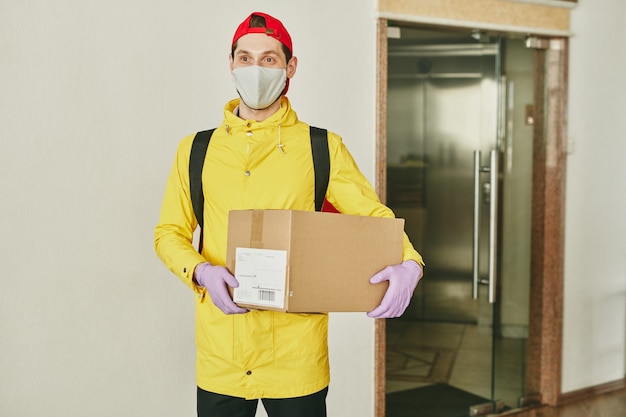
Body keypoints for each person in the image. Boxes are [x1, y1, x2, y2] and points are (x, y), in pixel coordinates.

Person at [154, 11, 424, 417]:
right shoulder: (195, 150)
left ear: (290, 66)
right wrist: (201, 271)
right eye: (245, 58)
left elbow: (373, 216)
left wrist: (411, 262)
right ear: (231, 64)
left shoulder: (321, 148)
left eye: (268, 59)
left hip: (297, 357)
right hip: (221, 355)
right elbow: (169, 233)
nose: (255, 69)